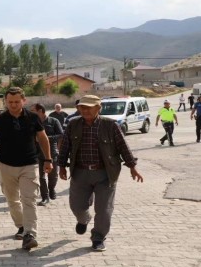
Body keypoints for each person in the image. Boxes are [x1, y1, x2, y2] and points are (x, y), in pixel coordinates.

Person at [58, 95, 144, 251]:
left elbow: (123, 146)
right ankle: (84, 219)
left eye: (89, 107)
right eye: (82, 107)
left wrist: (132, 166)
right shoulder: (73, 124)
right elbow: (65, 147)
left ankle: (98, 237)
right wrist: (62, 166)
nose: (85, 110)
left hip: (105, 173)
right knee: (76, 206)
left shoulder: (110, 125)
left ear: (98, 108)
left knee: (104, 209)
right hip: (80, 172)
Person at [0, 87, 53, 251]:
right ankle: (21, 225)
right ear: (6, 102)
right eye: (10, 102)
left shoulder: (33, 118)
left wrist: (48, 159)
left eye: (17, 102)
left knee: (29, 199)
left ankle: (30, 234)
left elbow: (43, 138)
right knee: (12, 200)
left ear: (23, 101)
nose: (13, 105)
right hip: (6, 165)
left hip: (29, 164)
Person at [30, 103, 64, 205]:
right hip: (37, 153)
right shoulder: (32, 122)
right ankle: (45, 197)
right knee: (41, 176)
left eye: (33, 111)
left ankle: (52, 189)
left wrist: (46, 138)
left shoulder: (53, 121)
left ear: (40, 111)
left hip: (51, 152)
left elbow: (61, 135)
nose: (31, 113)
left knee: (53, 175)